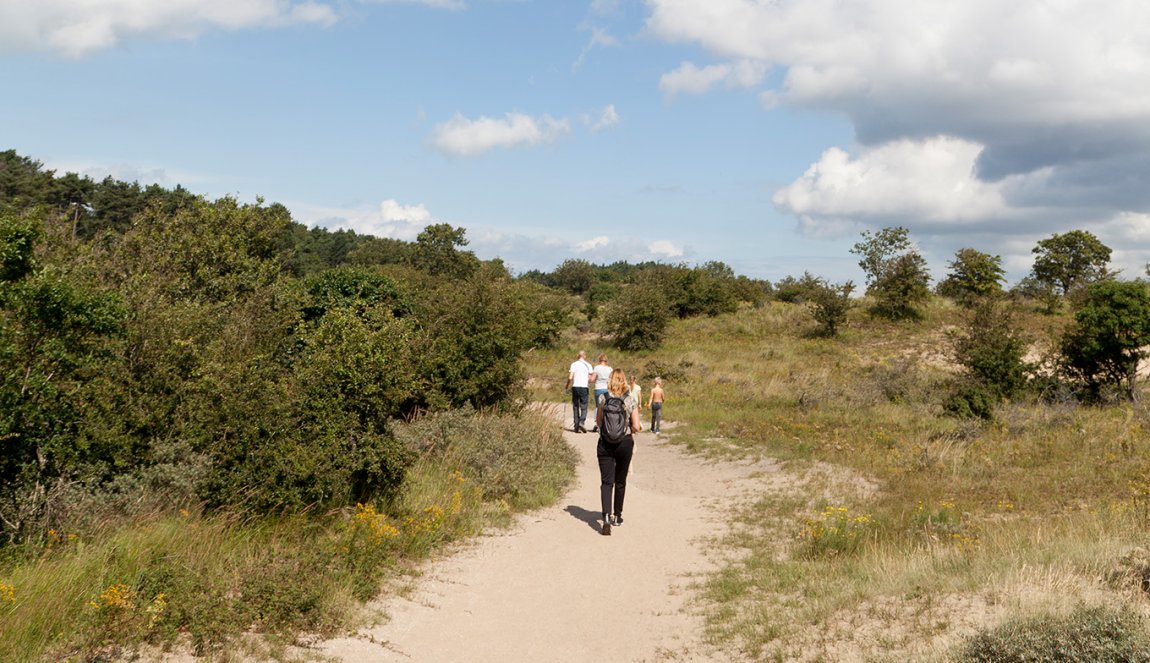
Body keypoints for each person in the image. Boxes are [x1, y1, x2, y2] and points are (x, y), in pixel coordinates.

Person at [595, 368, 641, 536]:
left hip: (605, 443)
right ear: (624, 381)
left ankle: (606, 517)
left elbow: (599, 422)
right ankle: (617, 516)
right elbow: (635, 425)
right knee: (620, 480)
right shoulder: (629, 400)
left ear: (610, 380)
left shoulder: (603, 398)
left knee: (607, 482)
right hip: (624, 443)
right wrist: (631, 430)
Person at [564, 350, 593, 433]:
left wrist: (566, 386)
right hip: (584, 387)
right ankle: (581, 422)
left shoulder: (574, 364)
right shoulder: (588, 365)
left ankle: (576, 426)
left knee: (576, 406)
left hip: (575, 387)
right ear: (585, 356)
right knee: (584, 406)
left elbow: (570, 377)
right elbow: (590, 379)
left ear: (578, 356)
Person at [590, 353, 613, 432]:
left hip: (598, 388)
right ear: (606, 361)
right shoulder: (610, 369)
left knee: (598, 406)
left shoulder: (596, 368)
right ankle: (605, 422)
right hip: (607, 389)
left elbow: (592, 379)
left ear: (599, 360)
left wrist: (588, 378)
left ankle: (597, 423)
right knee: (606, 406)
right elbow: (611, 380)